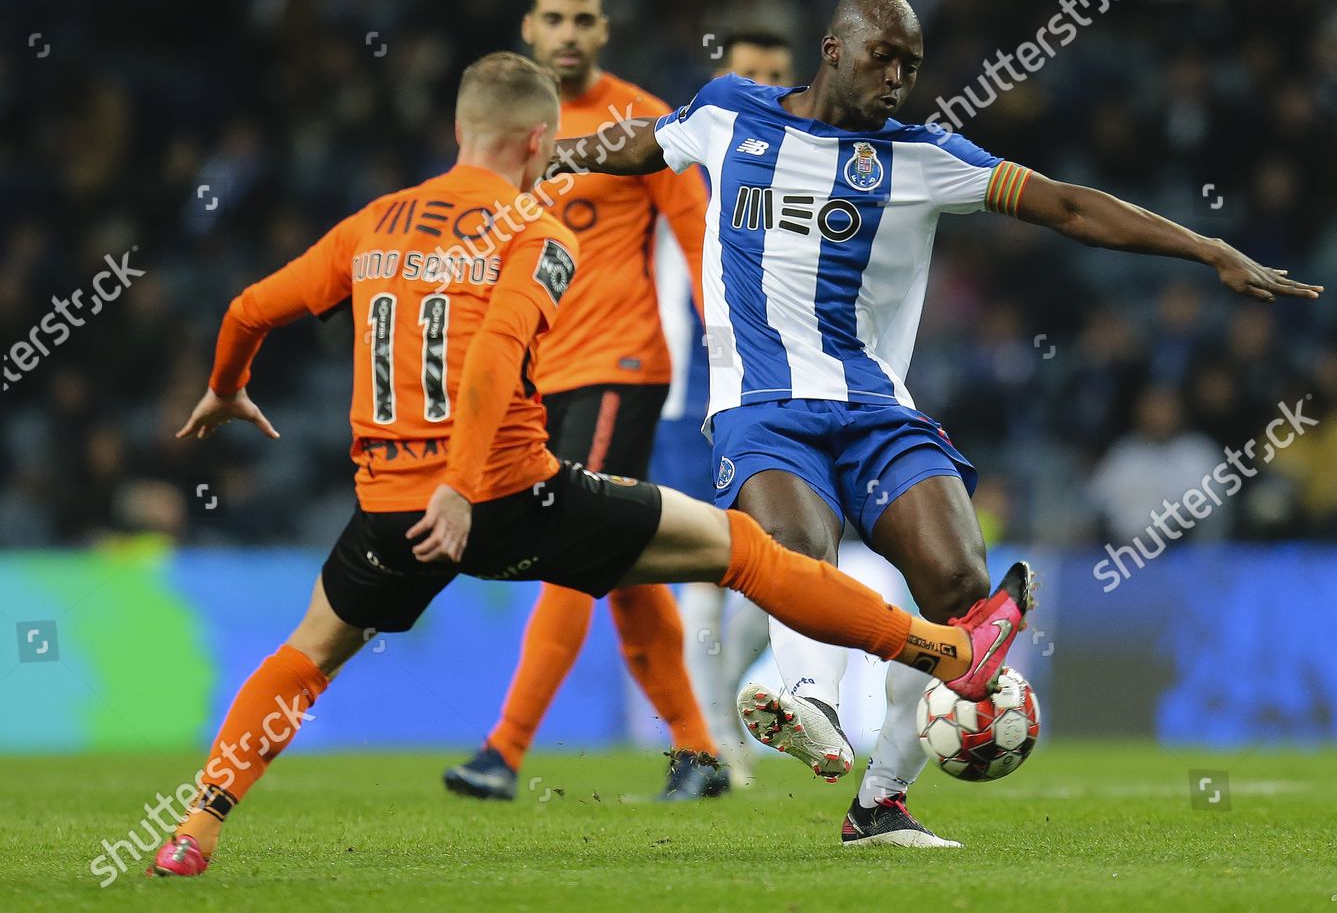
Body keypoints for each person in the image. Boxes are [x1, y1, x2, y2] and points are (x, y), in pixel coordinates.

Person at [149, 50, 1031, 878]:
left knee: (312, 649)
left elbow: (248, 307)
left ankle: (198, 825)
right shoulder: (538, 228)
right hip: (509, 494)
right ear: (542, 142)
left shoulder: (374, 223)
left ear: (462, 130)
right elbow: (495, 353)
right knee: (746, 550)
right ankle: (949, 646)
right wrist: (461, 486)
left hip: (389, 510)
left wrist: (226, 387)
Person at [550, 0, 1322, 847]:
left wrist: (1206, 247)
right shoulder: (730, 110)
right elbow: (638, 146)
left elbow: (1067, 206)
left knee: (963, 602)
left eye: (911, 66)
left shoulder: (923, 156)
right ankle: (805, 701)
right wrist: (555, 153)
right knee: (798, 556)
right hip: (762, 408)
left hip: (879, 410)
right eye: (884, 57)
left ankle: (878, 802)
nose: (899, 79)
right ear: (833, 48)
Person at [441, 0, 724, 804]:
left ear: (604, 31)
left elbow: (698, 234)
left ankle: (504, 749)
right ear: (528, 28)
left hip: (618, 368)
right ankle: (698, 751)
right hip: (534, 378)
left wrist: (731, 359)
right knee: (620, 562)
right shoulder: (501, 126)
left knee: (566, 547)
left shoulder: (644, 122)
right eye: (554, 19)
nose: (568, 33)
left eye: (584, 20)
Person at [673, 30, 796, 785]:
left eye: (775, 77)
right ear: (723, 81)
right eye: (746, 75)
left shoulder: (807, 171)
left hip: (780, 395)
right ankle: (714, 740)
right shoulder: (686, 169)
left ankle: (716, 721)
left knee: (780, 566)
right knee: (701, 574)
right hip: (694, 397)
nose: (761, 88)